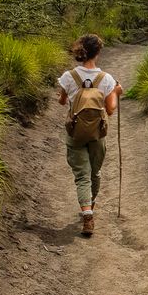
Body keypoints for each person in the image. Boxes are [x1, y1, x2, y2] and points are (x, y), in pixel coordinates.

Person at [57, 34, 123, 237]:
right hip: (97, 134)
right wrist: (116, 93)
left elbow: (62, 101)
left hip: (75, 133)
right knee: (94, 173)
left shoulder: (68, 76)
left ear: (81, 51)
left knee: (81, 176)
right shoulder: (107, 79)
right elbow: (110, 110)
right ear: (98, 52)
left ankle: (87, 213)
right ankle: (90, 205)